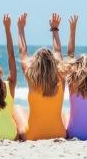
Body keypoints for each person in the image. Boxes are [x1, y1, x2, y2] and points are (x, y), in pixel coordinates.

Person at [17, 12, 66, 140]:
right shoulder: (61, 76)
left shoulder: (30, 78)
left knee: (17, 109)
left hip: (33, 135)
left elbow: (23, 52)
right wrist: (55, 29)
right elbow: (58, 51)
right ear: (54, 63)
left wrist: (21, 29)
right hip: (59, 133)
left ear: (35, 63)